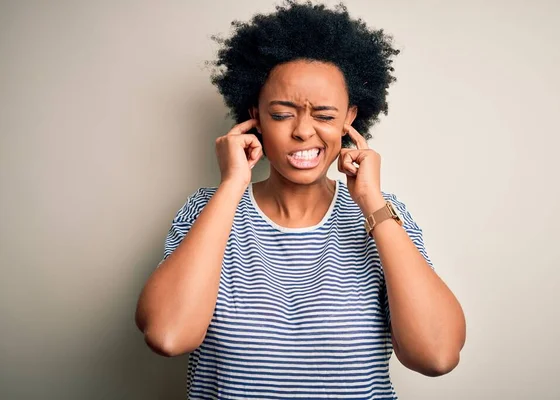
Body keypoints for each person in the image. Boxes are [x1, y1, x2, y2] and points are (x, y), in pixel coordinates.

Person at [135, 1, 466, 399]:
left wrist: (372, 202)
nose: (303, 132)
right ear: (253, 115)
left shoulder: (382, 213)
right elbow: (168, 336)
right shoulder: (207, 209)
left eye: (325, 115)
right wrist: (231, 185)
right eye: (281, 114)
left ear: (350, 119)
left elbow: (437, 355)